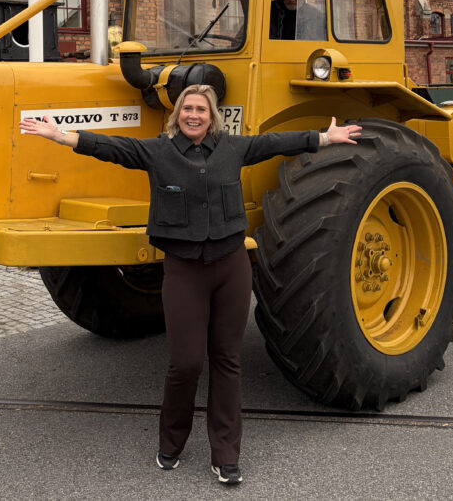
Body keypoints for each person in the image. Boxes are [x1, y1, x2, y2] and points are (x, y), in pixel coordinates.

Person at [19, 85, 360, 486]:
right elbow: (112, 147)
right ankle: (171, 442)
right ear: (177, 114)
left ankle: (226, 453)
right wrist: (61, 135)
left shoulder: (232, 148)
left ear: (211, 115)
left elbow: (274, 143)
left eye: (201, 109)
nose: (193, 115)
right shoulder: (158, 152)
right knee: (185, 364)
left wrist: (324, 138)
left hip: (231, 267)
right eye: (187, 109)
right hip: (183, 270)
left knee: (227, 361)